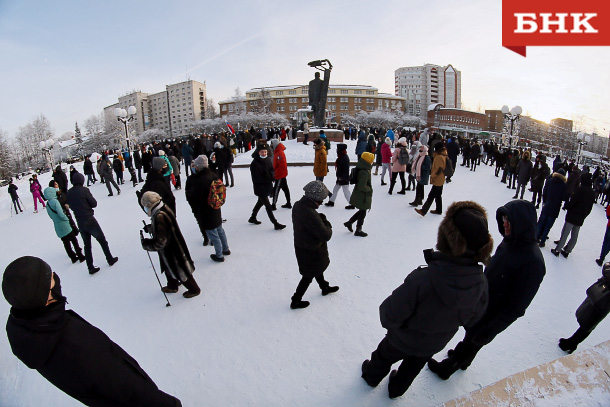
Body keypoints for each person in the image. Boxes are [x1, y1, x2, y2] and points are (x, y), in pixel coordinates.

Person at [2, 256, 181, 407]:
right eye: (51, 278)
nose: (56, 278)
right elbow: (127, 387)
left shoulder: (28, 329)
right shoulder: (77, 347)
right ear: (45, 295)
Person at [361, 201, 492, 399]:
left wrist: (393, 326)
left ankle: (371, 377)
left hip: (401, 339)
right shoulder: (480, 284)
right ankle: (396, 390)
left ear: (447, 239)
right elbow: (473, 319)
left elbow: (391, 312)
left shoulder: (424, 279)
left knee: (382, 357)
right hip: (433, 343)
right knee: (411, 369)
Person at [428, 200, 546, 380]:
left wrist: (491, 330)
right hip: (481, 302)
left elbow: (516, 307)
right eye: (504, 219)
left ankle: (447, 368)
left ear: (523, 223)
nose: (505, 224)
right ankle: (463, 358)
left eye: (510, 220)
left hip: (492, 314)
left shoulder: (534, 263)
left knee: (476, 339)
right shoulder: (510, 241)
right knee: (471, 338)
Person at [141, 192, 200, 298]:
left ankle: (194, 289)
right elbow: (165, 227)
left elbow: (161, 241)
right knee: (168, 268)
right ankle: (172, 286)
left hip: (172, 249)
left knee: (181, 271)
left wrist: (147, 245)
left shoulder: (159, 216)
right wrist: (151, 228)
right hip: (172, 246)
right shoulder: (162, 208)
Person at [290, 181, 339, 310]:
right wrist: (325, 221)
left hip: (301, 246)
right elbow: (326, 235)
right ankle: (295, 300)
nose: (322, 202)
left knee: (316, 269)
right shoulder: (311, 214)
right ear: (315, 198)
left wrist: (319, 217)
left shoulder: (298, 205)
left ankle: (324, 287)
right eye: (321, 199)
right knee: (308, 275)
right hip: (311, 250)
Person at [67, 173, 118, 274]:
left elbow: (71, 206)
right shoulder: (84, 190)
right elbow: (94, 203)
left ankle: (90, 267)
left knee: (87, 245)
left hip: (79, 221)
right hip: (89, 219)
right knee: (102, 240)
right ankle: (110, 259)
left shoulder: (69, 192)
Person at [185, 155, 231, 263]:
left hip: (205, 211)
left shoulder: (199, 180)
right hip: (216, 207)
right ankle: (226, 249)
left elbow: (195, 197)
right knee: (220, 230)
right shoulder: (212, 174)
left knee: (213, 234)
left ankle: (219, 255)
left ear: (198, 166)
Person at [558, 262, 610, 354]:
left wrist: (607, 266)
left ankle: (572, 343)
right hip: (602, 294)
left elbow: (608, 272)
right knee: (588, 319)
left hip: (605, 298)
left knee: (590, 322)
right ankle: (572, 341)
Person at [550, 173, 595, 258]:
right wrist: (584, 215)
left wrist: (567, 206)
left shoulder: (580, 189)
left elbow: (573, 202)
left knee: (565, 233)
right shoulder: (592, 193)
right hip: (581, 217)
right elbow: (590, 208)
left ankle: (558, 249)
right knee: (574, 235)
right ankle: (567, 251)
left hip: (572, 215)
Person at [248, 141, 286, 230]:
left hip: (267, 185)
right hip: (260, 187)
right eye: (262, 152)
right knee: (268, 206)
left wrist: (272, 176)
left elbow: (272, 170)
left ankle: (252, 217)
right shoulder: (254, 164)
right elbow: (256, 178)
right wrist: (267, 177)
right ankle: (275, 223)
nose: (264, 153)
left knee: (260, 202)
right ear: (258, 152)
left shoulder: (268, 159)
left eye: (265, 151)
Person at [43, 185, 85, 264]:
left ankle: (73, 257)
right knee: (73, 240)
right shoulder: (55, 201)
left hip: (57, 225)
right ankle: (80, 256)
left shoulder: (48, 204)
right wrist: (66, 219)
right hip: (64, 224)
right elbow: (61, 214)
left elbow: (50, 215)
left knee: (66, 242)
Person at [344, 152, 374, 237]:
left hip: (360, 193)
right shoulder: (364, 171)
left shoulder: (363, 167)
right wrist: (368, 189)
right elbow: (362, 185)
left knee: (362, 211)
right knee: (363, 212)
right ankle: (358, 229)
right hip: (363, 195)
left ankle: (349, 223)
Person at [536, 168, 568, 247]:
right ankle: (542, 241)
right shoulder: (564, 185)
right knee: (548, 226)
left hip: (547, 204)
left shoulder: (550, 181)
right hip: (555, 208)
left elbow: (545, 192)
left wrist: (545, 201)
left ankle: (536, 237)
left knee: (541, 222)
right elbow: (564, 198)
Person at [415, 143, 447, 216]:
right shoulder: (443, 155)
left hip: (438, 178)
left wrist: (432, 176)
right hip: (441, 178)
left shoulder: (439, 157)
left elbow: (438, 169)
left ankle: (423, 210)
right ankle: (439, 210)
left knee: (431, 195)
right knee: (438, 195)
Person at [325, 143, 354, 209]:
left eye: (337, 149)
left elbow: (345, 169)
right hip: (341, 178)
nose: (336, 150)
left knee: (346, 192)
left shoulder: (344, 158)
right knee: (335, 190)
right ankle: (331, 202)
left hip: (343, 178)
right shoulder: (342, 156)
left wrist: (341, 177)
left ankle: (352, 204)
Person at [271, 138, 291, 210]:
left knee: (276, 189)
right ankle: (288, 203)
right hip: (281, 174)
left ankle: (273, 205)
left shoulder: (279, 152)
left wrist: (276, 174)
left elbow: (281, 165)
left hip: (279, 175)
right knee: (285, 189)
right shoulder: (277, 151)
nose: (271, 145)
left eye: (272, 144)